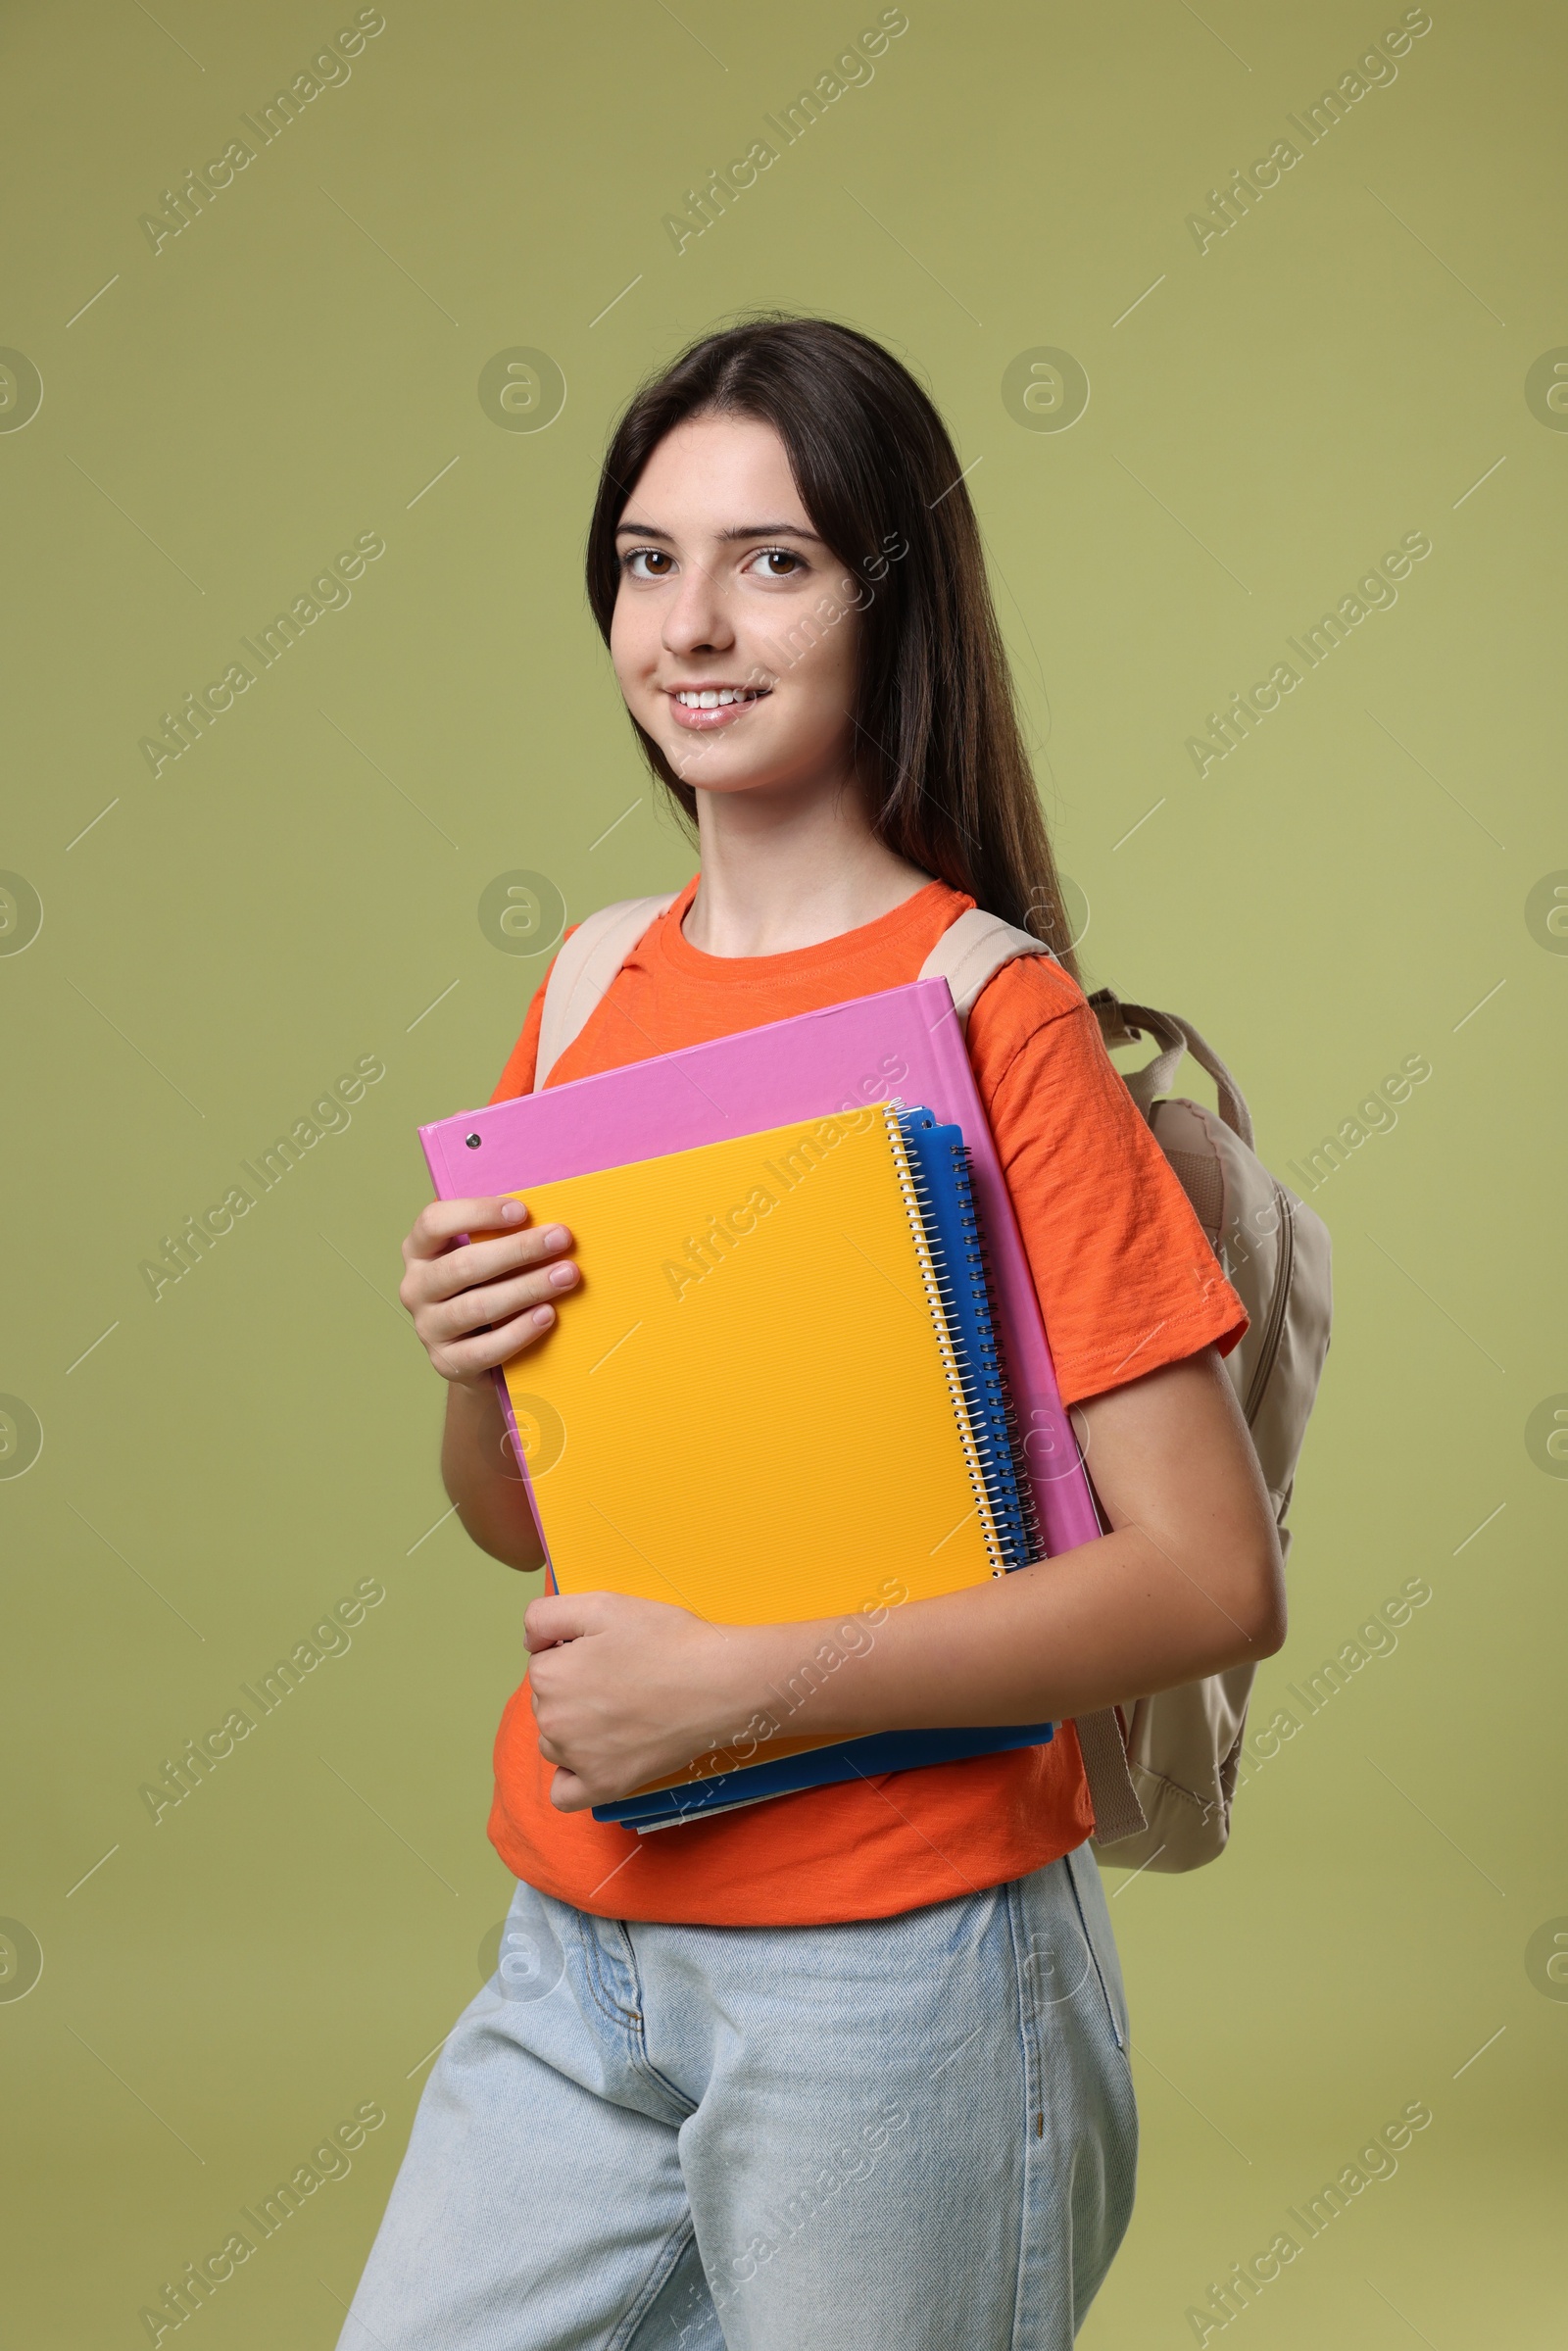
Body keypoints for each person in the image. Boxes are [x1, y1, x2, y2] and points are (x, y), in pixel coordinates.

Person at [343, 316, 1285, 2350]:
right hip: (582, 1934)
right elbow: (524, 1523)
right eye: (645, 557)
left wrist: (741, 1694)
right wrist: (465, 1358)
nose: (691, 618)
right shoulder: (590, 985)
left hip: (902, 1960)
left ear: (889, 598)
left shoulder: (992, 1016)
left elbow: (1209, 1576)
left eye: (771, 559)